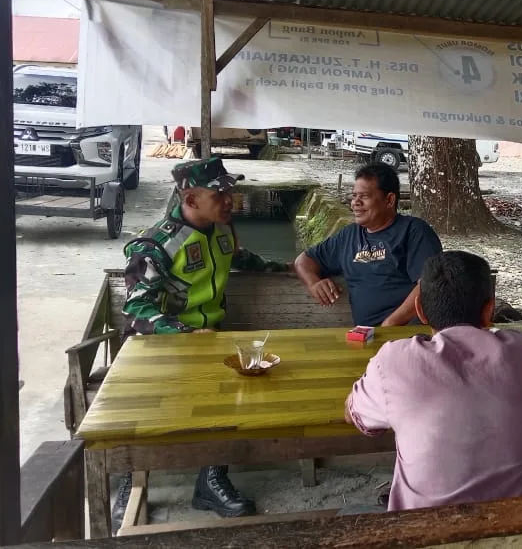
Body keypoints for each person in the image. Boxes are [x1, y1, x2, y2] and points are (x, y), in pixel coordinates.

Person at [114, 157, 289, 531]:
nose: (230, 200)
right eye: (219, 194)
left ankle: (211, 480)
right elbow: (137, 309)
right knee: (142, 409)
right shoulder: (155, 246)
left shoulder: (221, 232)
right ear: (191, 199)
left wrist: (286, 269)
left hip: (208, 342)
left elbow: (241, 258)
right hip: (159, 349)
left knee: (232, 392)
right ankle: (131, 480)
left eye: (230, 191)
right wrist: (184, 334)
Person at [345, 251, 522, 510]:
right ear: (489, 309)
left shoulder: (394, 360)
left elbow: (354, 416)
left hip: (430, 528)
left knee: (352, 512)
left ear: (420, 310)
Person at [293, 163, 442, 326]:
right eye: (354, 196)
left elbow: (430, 284)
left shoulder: (414, 231)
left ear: (389, 200)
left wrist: (390, 324)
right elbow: (303, 260)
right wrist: (314, 283)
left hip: (409, 332)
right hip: (367, 334)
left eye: (364, 196)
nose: (355, 203)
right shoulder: (348, 235)